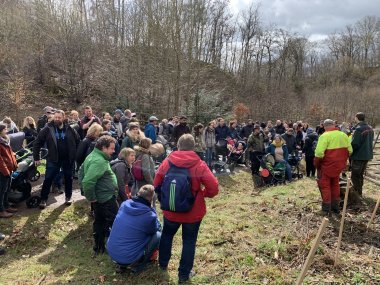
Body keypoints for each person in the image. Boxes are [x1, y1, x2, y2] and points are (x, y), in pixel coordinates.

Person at [154, 134, 219, 283]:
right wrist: (202, 194)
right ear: (193, 147)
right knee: (189, 241)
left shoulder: (167, 162)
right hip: (193, 212)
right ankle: (183, 275)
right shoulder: (199, 164)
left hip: (170, 209)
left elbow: (156, 182)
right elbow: (214, 188)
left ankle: (162, 265)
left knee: (167, 235)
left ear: (178, 146)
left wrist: (162, 195)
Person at [107, 185, 161, 273]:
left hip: (112, 253)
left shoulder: (124, 204)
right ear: (151, 199)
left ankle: (123, 263)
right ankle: (140, 265)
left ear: (137, 194)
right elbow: (155, 229)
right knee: (158, 235)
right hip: (129, 258)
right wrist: (154, 212)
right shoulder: (149, 215)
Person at [33, 110, 80, 209]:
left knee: (68, 178)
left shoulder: (70, 128)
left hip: (68, 159)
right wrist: (36, 157)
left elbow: (77, 140)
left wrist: (74, 154)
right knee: (48, 179)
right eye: (56, 117)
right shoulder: (47, 129)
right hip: (53, 159)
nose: (57, 119)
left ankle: (68, 197)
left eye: (59, 117)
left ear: (63, 118)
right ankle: (43, 199)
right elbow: (37, 143)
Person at [80, 135, 119, 256]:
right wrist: (91, 197)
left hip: (100, 198)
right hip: (105, 199)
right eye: (111, 149)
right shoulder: (99, 161)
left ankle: (99, 248)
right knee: (115, 222)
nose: (113, 151)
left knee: (100, 222)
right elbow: (87, 181)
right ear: (103, 148)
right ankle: (118, 250)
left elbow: (81, 170)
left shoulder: (93, 156)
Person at [314, 119, 352, 216]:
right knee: (335, 185)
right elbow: (350, 150)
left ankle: (326, 210)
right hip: (338, 166)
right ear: (334, 125)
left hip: (326, 166)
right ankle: (336, 208)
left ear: (324, 126)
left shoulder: (324, 136)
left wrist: (317, 164)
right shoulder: (343, 135)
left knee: (325, 186)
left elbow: (319, 153)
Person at [350, 112, 374, 197]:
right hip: (367, 155)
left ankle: (356, 195)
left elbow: (355, 144)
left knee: (355, 176)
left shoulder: (359, 129)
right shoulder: (370, 128)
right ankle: (359, 193)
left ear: (356, 118)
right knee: (360, 175)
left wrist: (349, 152)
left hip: (359, 156)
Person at [0, 124, 18, 218]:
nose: (7, 130)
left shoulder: (5, 140)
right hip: (2, 171)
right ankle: (1, 210)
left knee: (7, 189)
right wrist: (5, 171)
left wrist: (14, 164)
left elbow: (10, 154)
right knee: (1, 190)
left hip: (8, 169)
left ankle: (6, 206)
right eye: (5, 129)